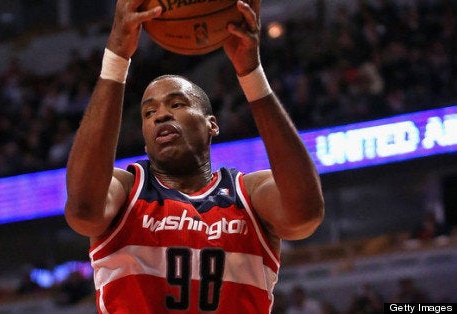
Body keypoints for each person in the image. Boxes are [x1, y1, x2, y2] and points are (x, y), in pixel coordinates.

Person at [64, 0, 324, 313]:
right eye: (149, 112)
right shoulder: (126, 189)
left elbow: (305, 214)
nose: (161, 116)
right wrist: (117, 56)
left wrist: (251, 73)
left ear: (212, 124)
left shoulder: (250, 194)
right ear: (145, 143)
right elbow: (83, 210)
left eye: (176, 105)